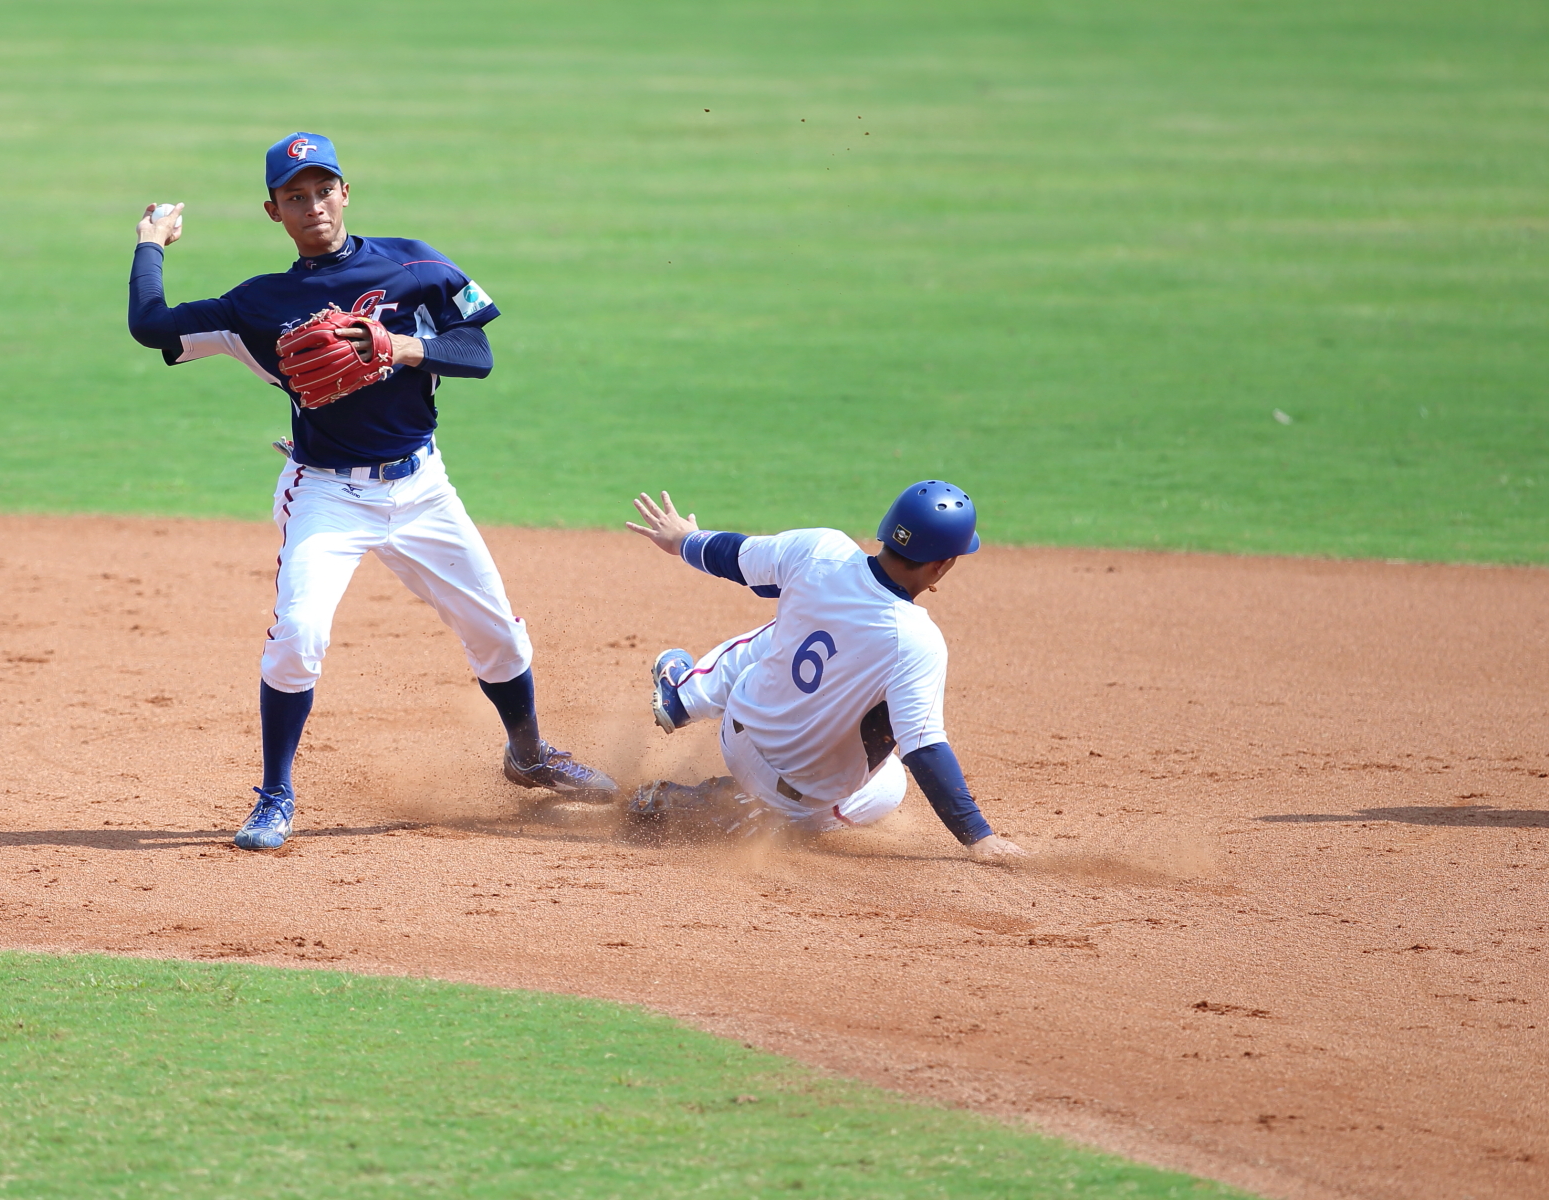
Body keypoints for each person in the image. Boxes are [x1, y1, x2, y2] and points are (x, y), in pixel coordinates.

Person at [127, 132, 615, 850]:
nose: (314, 206)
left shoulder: (414, 266)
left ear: (346, 193)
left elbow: (476, 352)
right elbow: (150, 328)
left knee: (500, 637)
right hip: (327, 494)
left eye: (324, 190)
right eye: (295, 196)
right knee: (298, 637)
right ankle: (274, 796)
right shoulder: (259, 305)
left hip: (423, 489)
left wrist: (402, 347)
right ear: (274, 211)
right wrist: (151, 243)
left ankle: (529, 756)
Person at [624, 482, 1025, 859]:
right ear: (941, 565)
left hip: (738, 735)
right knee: (892, 782)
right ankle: (772, 820)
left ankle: (687, 695)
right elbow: (925, 749)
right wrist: (979, 836)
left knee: (790, 625)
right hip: (798, 800)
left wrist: (684, 540)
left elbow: (735, 556)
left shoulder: (820, 549)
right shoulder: (918, 641)